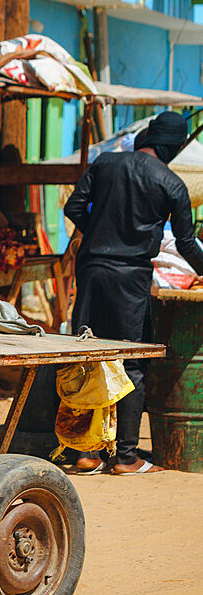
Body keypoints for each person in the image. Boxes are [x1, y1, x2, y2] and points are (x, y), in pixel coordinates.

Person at [64, 110, 203, 474]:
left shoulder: (105, 163)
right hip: (131, 279)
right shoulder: (172, 184)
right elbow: (187, 245)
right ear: (172, 147)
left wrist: (97, 235)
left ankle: (85, 452)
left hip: (92, 271)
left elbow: (73, 206)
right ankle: (126, 457)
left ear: (147, 138)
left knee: (88, 356)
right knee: (132, 364)